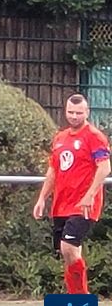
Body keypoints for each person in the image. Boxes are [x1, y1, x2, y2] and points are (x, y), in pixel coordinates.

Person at [33, 93, 110, 294]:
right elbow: (53, 170)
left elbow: (104, 167)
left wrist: (90, 195)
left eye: (78, 113)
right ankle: (76, 296)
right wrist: (42, 198)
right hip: (61, 204)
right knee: (68, 252)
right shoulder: (60, 138)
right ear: (65, 112)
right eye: (71, 112)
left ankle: (80, 296)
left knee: (68, 246)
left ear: (87, 112)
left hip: (83, 205)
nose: (74, 116)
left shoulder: (94, 136)